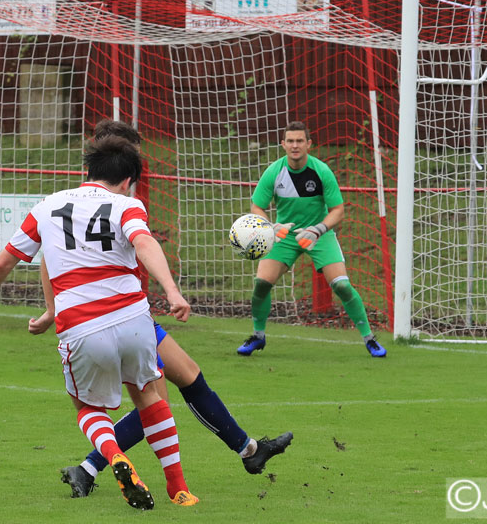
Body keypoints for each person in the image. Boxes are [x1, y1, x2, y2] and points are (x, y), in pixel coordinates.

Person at [28, 119, 292, 498]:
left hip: (128, 313)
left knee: (188, 375)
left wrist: (54, 308)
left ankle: (249, 451)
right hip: (116, 317)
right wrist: (171, 290)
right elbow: (56, 260)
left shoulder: (94, 202)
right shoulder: (115, 201)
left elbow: (48, 260)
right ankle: (104, 471)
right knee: (159, 400)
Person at [0, 134, 198, 509]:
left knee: (87, 408)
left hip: (82, 324)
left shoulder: (47, 207)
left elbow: (5, 261)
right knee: (149, 394)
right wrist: (172, 291)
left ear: (87, 171)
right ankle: (179, 489)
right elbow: (145, 243)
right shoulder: (127, 205)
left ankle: (115, 457)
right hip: (133, 317)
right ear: (127, 181)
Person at [236, 121, 388, 358]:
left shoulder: (322, 171)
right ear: (283, 144)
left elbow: (338, 210)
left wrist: (318, 229)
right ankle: (258, 336)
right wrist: (271, 226)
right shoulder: (274, 172)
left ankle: (370, 339)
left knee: (342, 285)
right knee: (261, 284)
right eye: (290, 141)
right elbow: (257, 206)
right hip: (285, 236)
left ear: (309, 144)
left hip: (319, 235)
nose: (295, 146)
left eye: (299, 141)